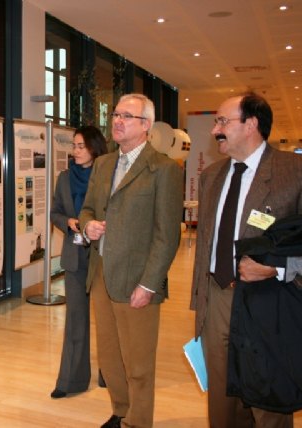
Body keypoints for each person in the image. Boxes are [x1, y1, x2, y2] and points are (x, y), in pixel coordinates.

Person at [190, 92, 302, 428]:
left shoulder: (299, 171)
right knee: (222, 401)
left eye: (223, 121)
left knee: (269, 400)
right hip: (218, 298)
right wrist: (200, 302)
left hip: (271, 302)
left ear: (251, 124)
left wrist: (276, 269)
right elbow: (207, 241)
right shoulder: (212, 177)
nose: (214, 130)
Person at [80, 93, 183, 428]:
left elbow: (167, 235)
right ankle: (121, 410)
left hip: (137, 281)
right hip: (101, 276)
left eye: (127, 116)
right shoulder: (103, 164)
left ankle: (139, 422)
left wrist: (149, 284)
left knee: (138, 363)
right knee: (110, 358)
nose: (117, 121)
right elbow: (87, 210)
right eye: (115, 115)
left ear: (146, 126)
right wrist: (87, 225)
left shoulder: (164, 169)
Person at [49, 125, 108, 399]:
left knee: (108, 320)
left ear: (95, 148)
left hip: (104, 256)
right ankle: (71, 380)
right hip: (74, 257)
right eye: (74, 146)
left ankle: (110, 373)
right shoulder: (63, 178)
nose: (75, 151)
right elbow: (55, 212)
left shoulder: (108, 176)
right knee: (75, 318)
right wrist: (69, 222)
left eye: (81, 146)